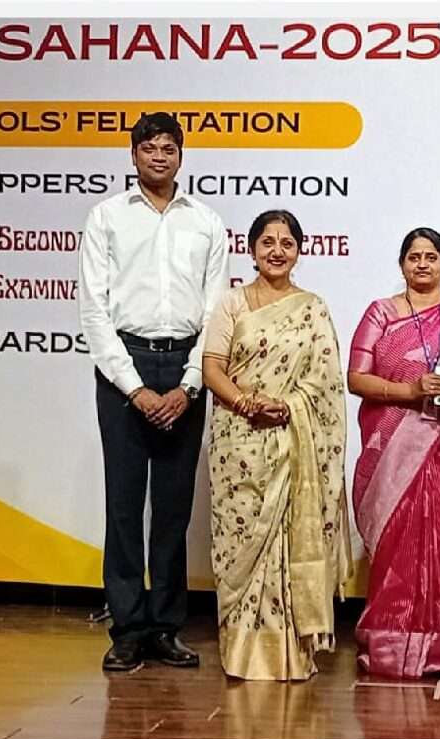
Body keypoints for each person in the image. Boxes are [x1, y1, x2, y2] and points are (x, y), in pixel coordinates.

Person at [78, 112, 228, 672]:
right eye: (149, 148)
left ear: (181, 156)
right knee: (123, 505)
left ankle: (165, 626)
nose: (159, 157)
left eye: (169, 148)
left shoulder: (206, 222)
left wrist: (189, 384)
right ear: (134, 155)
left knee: (172, 508)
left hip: (186, 365)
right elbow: (94, 309)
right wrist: (134, 386)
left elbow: (215, 311)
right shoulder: (106, 217)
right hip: (125, 365)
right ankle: (127, 628)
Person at [201, 210, 352, 681]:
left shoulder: (313, 308)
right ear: (251, 249)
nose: (277, 251)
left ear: (299, 251)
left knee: (288, 542)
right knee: (241, 540)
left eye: (287, 243)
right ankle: (243, 652)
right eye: (267, 242)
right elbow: (212, 368)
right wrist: (246, 403)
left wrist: (287, 406)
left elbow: (325, 383)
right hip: (238, 443)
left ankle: (289, 652)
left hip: (292, 441)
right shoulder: (232, 303)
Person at [346, 227, 440, 678]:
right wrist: (410, 390)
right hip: (392, 450)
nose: (422, 264)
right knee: (395, 548)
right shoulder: (381, 312)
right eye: (413, 257)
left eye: (431, 256)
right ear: (402, 264)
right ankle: (390, 645)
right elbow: (357, 379)